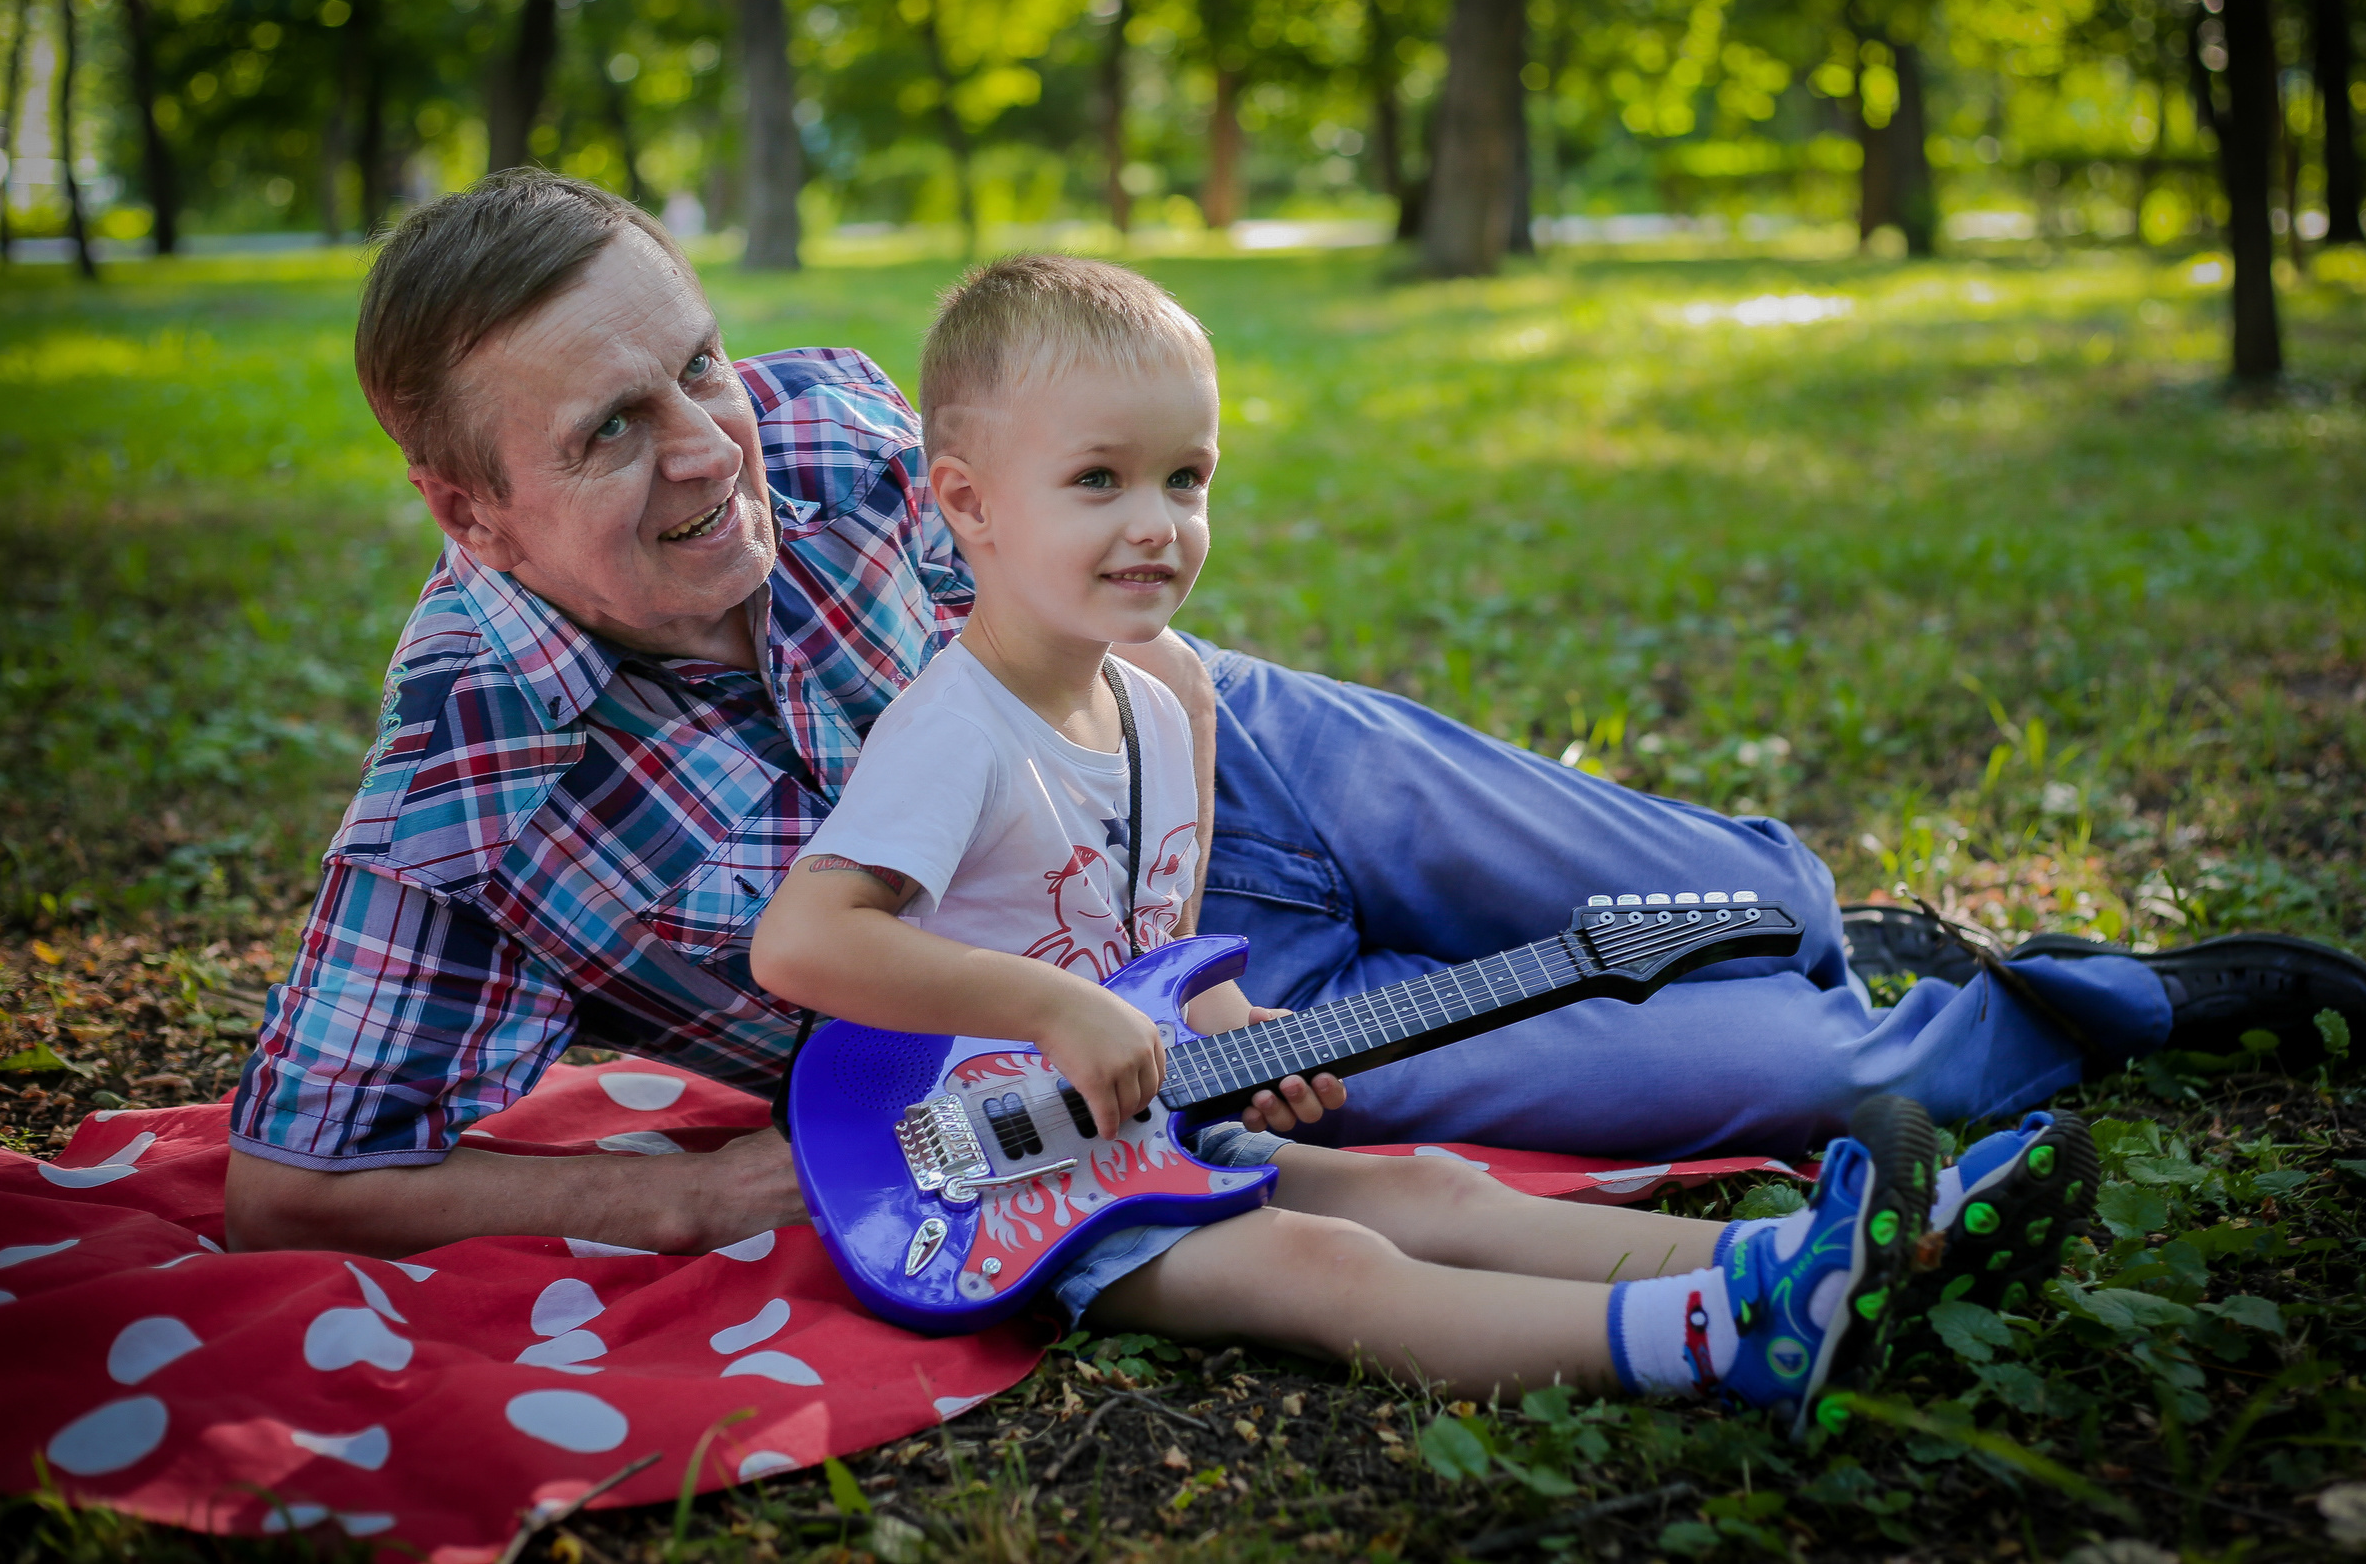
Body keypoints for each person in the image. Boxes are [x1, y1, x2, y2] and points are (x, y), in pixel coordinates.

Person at [223, 169, 2366, 1272]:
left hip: (1228, 749)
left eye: (694, 361)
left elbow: (1077, 567)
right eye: (610, 429)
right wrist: (690, 1202)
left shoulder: (826, 418)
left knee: (1753, 889)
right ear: (467, 509)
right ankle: (2101, 1001)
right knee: (1805, 1069)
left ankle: (1831, 923)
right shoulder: (473, 770)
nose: (715, 442)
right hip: (1172, 1018)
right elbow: (291, 1180)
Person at [748, 252, 1969, 1425]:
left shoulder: (1156, 706)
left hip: (1151, 1133)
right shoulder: (954, 729)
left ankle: (1828, 1257)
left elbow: (1152, 957)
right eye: (1099, 480)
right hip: (994, 1185)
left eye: (1185, 479)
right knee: (1326, 1266)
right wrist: (1052, 1010)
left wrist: (1242, 1037)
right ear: (968, 503)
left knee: (1429, 1188)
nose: (1157, 523)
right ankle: (1723, 1339)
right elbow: (803, 945)